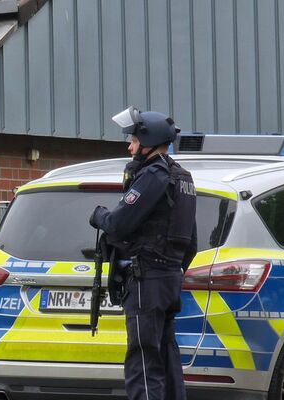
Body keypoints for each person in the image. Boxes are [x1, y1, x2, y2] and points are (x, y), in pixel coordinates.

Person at [88, 106, 197, 400]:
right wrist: (170, 269)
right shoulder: (182, 177)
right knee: (165, 355)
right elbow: (191, 242)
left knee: (143, 360)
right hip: (168, 279)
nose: (129, 146)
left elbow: (119, 224)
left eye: (133, 140)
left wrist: (99, 216)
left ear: (148, 141)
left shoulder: (153, 176)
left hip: (146, 280)